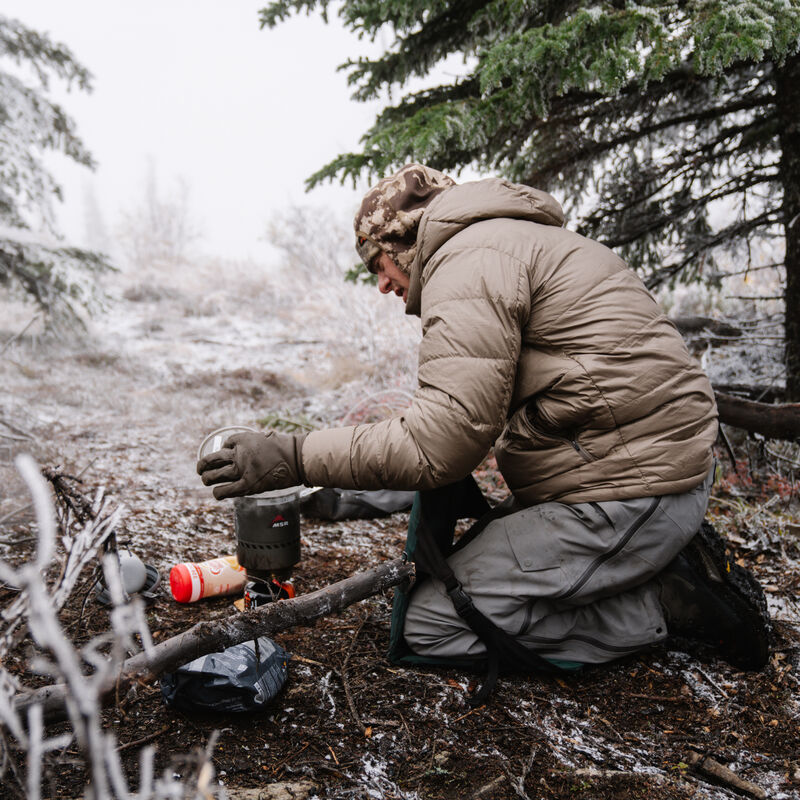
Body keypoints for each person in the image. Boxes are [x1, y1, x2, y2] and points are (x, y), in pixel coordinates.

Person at [197, 164, 770, 678]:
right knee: (459, 574)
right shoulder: (509, 242)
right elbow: (457, 420)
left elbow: (437, 445)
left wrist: (293, 456)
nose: (380, 282)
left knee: (431, 625)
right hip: (637, 473)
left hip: (632, 492)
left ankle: (661, 603)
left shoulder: (468, 263)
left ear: (403, 239)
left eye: (378, 263)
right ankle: (647, 563)